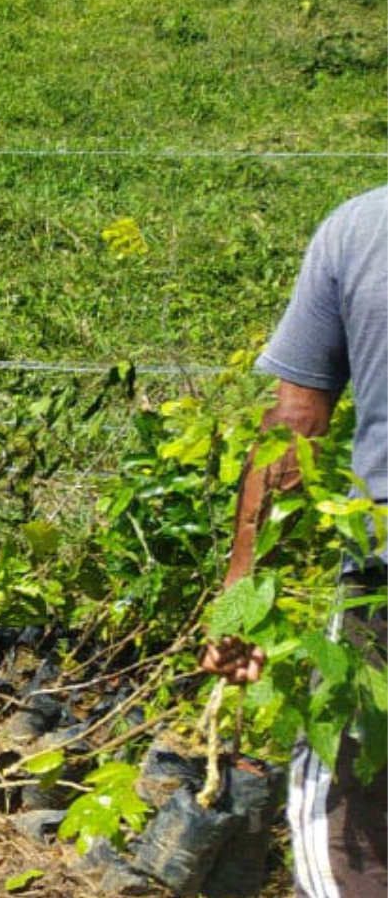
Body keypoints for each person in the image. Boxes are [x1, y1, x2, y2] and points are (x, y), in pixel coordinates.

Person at [200, 184, 385, 898]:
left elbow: (292, 429)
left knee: (356, 834)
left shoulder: (362, 226)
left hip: (382, 587)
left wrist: (243, 605)